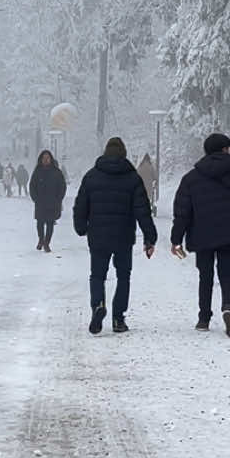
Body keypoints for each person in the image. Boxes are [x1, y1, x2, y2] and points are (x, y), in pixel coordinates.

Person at [170, 131, 230, 337]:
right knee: (228, 274)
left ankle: (204, 318)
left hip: (201, 234)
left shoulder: (191, 178)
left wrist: (176, 239)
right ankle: (228, 306)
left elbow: (182, 211)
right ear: (225, 149)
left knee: (206, 276)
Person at [72, 136, 157, 334]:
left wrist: (80, 227)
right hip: (123, 236)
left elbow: (80, 205)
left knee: (97, 275)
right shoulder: (132, 178)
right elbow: (142, 210)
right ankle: (118, 319)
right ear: (124, 153)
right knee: (123, 276)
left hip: (98, 235)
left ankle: (98, 305)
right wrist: (149, 237)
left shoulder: (91, 176)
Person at [29, 149, 66, 251]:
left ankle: (47, 243)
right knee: (40, 222)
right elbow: (32, 186)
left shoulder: (57, 172)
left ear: (51, 159)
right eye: (43, 158)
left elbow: (62, 186)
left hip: (53, 202)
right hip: (40, 202)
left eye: (47, 158)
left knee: (50, 223)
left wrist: (59, 199)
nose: (45, 160)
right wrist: (35, 198)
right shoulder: (37, 172)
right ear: (40, 159)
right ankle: (41, 239)